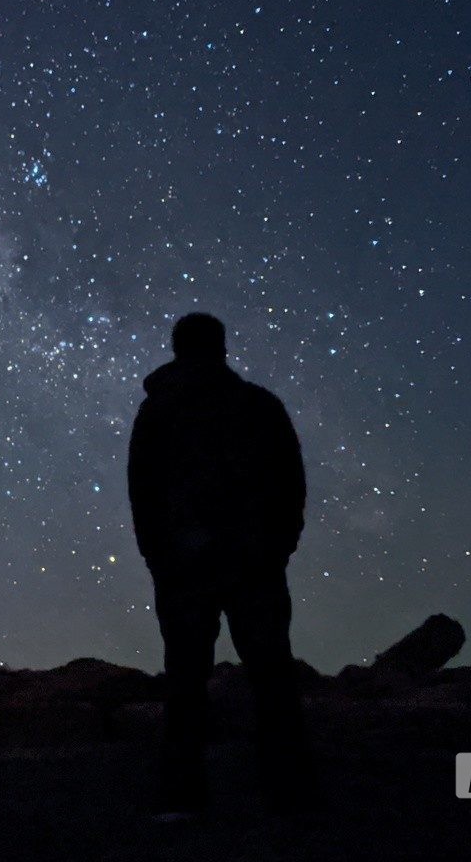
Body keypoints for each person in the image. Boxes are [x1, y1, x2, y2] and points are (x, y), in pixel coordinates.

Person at [127, 311, 312, 818]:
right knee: (271, 674)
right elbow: (290, 483)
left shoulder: (158, 412)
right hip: (252, 561)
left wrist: (160, 557)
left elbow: (142, 493)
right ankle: (288, 791)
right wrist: (278, 546)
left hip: (186, 566)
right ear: (222, 348)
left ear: (176, 347)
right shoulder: (258, 405)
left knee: (185, 677)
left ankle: (182, 796)